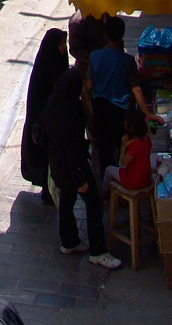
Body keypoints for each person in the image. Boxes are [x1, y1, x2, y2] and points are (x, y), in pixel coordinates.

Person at [41, 66, 122, 269]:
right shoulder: (71, 112)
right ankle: (98, 250)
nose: (85, 85)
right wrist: (81, 180)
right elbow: (73, 149)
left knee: (67, 201)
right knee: (93, 204)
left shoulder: (52, 102)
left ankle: (69, 241)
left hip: (58, 165)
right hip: (73, 167)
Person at [87, 15, 163, 177]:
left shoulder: (94, 56)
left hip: (100, 109)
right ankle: (125, 181)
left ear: (105, 35)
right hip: (121, 113)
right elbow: (136, 90)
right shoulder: (127, 60)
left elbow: (89, 85)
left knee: (104, 149)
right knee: (124, 147)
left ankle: (107, 186)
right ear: (122, 35)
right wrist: (147, 113)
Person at [20, 28, 69, 204]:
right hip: (44, 120)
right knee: (46, 157)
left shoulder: (57, 61)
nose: (64, 48)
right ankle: (47, 190)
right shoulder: (46, 66)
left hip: (55, 119)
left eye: (65, 44)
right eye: (61, 44)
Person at [102, 108, 152, 195]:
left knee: (108, 170)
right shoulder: (146, 139)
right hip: (146, 178)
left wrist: (123, 146)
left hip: (134, 180)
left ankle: (105, 192)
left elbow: (123, 163)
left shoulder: (134, 145)